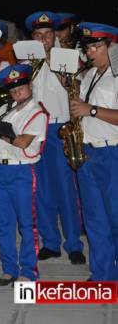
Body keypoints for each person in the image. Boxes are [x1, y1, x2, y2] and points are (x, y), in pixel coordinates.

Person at [0, 64, 49, 285]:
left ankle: (29, 270)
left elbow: (22, 142)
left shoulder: (38, 112)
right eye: (13, 90)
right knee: (3, 221)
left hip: (21, 170)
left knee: (27, 223)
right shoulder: (7, 108)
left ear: (30, 86)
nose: (18, 94)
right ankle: (9, 269)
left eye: (21, 89)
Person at [24, 11, 85, 265]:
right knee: (41, 191)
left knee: (65, 190)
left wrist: (50, 60)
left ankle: (73, 244)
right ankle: (50, 242)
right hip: (37, 129)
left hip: (60, 128)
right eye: (38, 35)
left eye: (47, 35)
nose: (43, 39)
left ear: (55, 35)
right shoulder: (27, 62)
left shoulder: (69, 57)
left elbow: (75, 87)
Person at [71, 22, 118, 281]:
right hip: (88, 152)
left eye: (96, 46)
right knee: (94, 219)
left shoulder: (117, 75)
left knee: (116, 217)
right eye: (87, 47)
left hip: (113, 153)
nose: (90, 52)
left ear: (111, 46)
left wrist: (91, 110)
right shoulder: (89, 75)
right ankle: (102, 275)